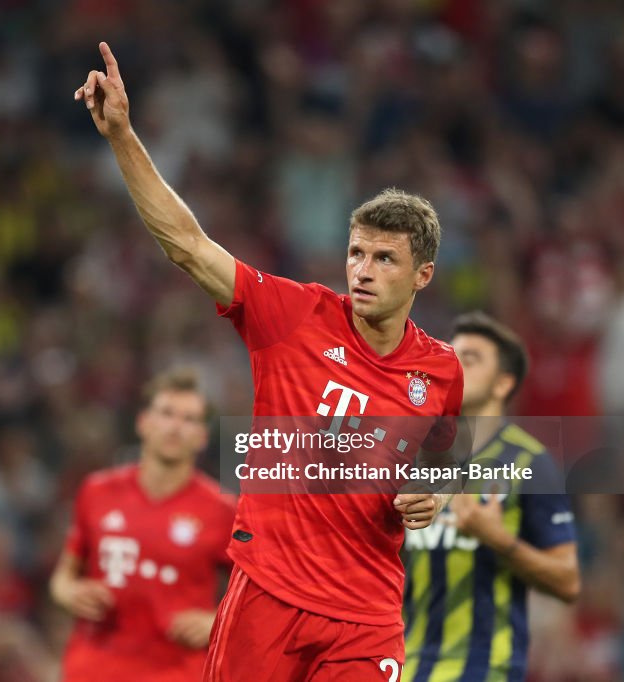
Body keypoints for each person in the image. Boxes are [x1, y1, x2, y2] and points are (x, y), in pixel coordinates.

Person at [74, 42, 464, 680]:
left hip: (365, 616)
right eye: (357, 253)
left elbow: (441, 460)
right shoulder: (295, 315)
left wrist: (434, 494)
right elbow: (188, 246)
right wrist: (122, 135)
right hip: (269, 594)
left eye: (384, 259)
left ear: (422, 275)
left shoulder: (442, 369)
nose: (363, 271)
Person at [403, 312, 580, 682]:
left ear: (503, 383)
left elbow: (568, 581)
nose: (456, 366)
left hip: (484, 669)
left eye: (471, 359)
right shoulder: (416, 456)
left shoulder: (531, 461)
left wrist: (497, 539)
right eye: (452, 356)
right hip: (407, 666)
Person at [50, 368, 235, 681]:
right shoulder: (96, 491)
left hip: (176, 671)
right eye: (166, 413)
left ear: (202, 437)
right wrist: (70, 593)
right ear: (143, 423)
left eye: (189, 419)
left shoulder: (223, 510)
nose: (176, 427)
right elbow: (63, 577)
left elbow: (256, 594)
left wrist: (218, 622)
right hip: (92, 667)